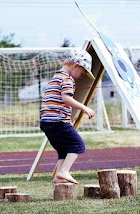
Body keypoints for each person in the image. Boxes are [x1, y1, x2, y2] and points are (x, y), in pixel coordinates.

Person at [40, 49, 96, 184]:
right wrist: (84, 108)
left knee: (63, 150)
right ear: (75, 66)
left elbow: (54, 102)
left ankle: (58, 177)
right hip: (57, 122)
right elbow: (66, 98)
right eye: (82, 73)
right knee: (77, 145)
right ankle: (64, 171)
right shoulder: (67, 79)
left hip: (47, 122)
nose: (81, 76)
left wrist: (65, 117)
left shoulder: (56, 77)